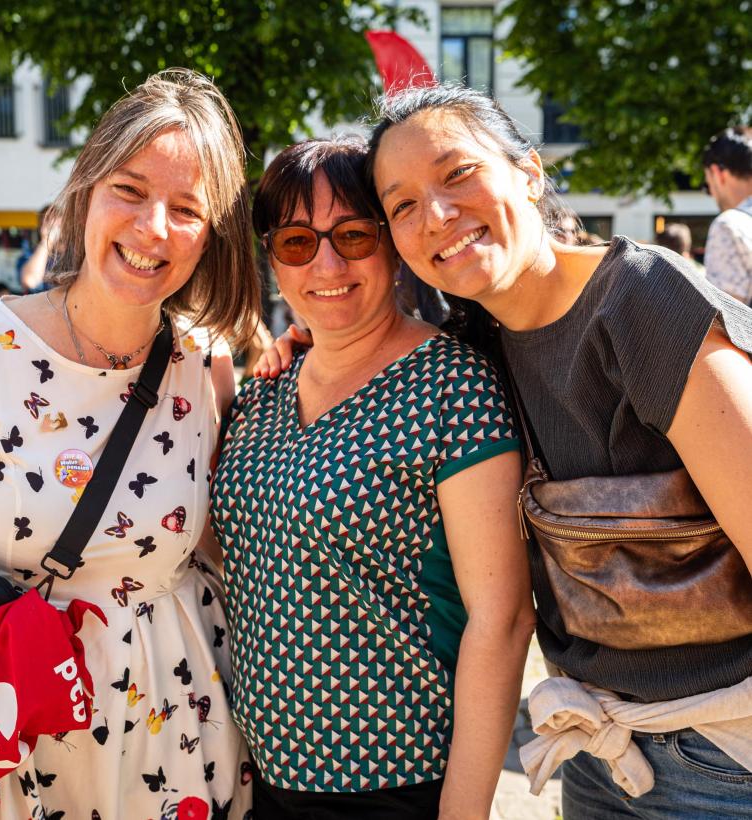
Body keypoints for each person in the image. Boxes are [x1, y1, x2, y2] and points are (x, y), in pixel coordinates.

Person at [262, 84, 752, 819]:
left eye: (458, 173)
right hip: (598, 751)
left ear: (529, 171)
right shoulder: (480, 335)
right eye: (402, 205)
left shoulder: (641, 301)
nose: (436, 215)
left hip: (724, 760)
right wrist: (314, 335)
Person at [0, 69, 257, 819]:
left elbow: (219, 548)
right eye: (130, 190)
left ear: (211, 234)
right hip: (10, 734)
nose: (153, 228)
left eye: (187, 209)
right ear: (87, 189)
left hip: (173, 735)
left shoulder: (204, 363)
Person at [210, 137, 535, 820]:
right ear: (272, 258)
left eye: (353, 235)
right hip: (261, 776)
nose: (327, 264)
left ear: (392, 245)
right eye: (297, 242)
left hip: (397, 784)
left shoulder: (453, 387)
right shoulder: (263, 393)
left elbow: (502, 619)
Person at [702, 127, 752, 304]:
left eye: (708, 186)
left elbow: (725, 318)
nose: (712, 195)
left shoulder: (728, 226)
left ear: (717, 173)